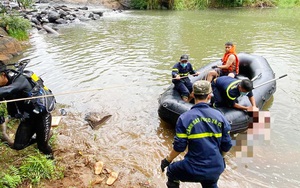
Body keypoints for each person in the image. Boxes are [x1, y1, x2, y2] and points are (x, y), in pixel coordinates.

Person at [161, 80, 232, 188]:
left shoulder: (184, 118)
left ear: (193, 94)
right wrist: (220, 159)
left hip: (193, 168)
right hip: (216, 168)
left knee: (172, 171)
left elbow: (179, 147)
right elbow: (227, 145)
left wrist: (167, 160)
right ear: (209, 96)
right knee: (210, 182)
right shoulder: (220, 116)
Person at [0, 61, 54, 159]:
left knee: (42, 147)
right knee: (18, 146)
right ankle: (41, 137)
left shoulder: (20, 80)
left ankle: (51, 161)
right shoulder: (2, 85)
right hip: (28, 117)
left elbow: (9, 90)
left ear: (3, 75)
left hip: (41, 115)